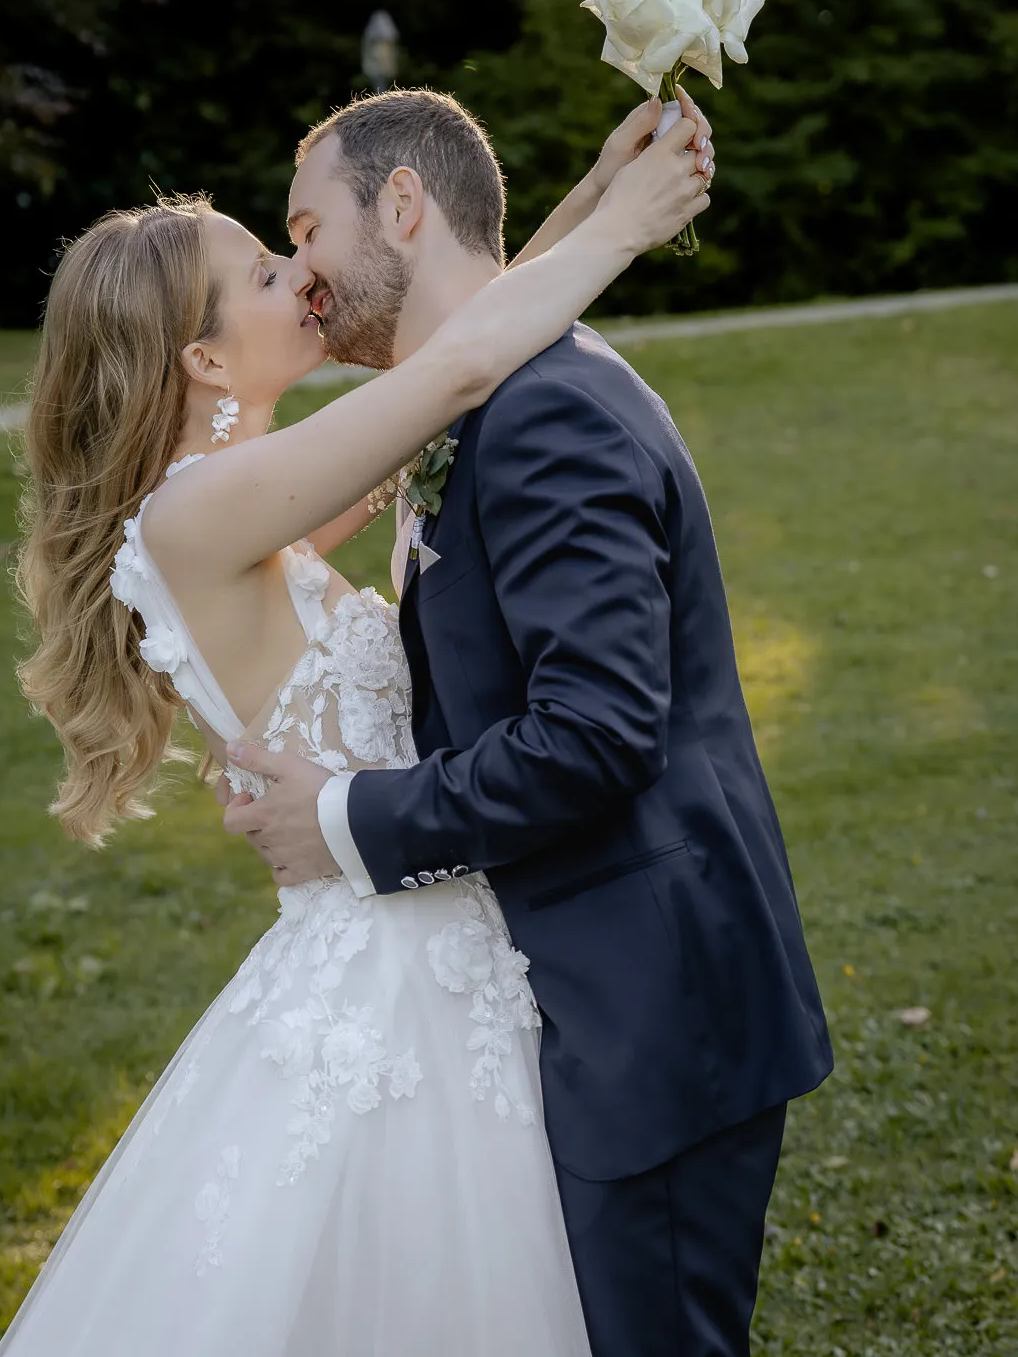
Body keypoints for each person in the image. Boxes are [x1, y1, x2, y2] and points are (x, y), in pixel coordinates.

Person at [0, 91, 710, 1356]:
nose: (306, 278)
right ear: (205, 360)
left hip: (432, 930)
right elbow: (458, 369)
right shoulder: (203, 512)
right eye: (270, 271)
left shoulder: (240, 499)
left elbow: (451, 346)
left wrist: (593, 192)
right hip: (392, 975)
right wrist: (627, 233)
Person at [223, 86, 834, 1357]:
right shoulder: (478, 396)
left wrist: (338, 820)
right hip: (574, 982)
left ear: (401, 202)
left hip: (647, 1005)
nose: (304, 273)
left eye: (306, 228)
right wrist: (600, 208)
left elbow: (597, 733)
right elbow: (472, 329)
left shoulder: (541, 410)